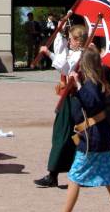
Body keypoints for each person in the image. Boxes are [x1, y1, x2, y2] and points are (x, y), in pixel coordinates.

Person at [39, 46, 110, 212]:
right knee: (109, 180)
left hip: (92, 140)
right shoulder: (94, 82)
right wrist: (69, 89)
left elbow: (92, 103)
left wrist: (79, 87)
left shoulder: (92, 84)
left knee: (74, 177)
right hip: (99, 139)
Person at [34, 20, 87, 188]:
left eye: (71, 39)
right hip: (68, 98)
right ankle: (54, 173)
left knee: (70, 135)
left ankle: (65, 173)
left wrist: (49, 54)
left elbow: (64, 68)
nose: (69, 41)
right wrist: (49, 52)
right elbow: (64, 63)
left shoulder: (83, 55)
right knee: (63, 134)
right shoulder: (76, 53)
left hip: (75, 99)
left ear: (78, 40)